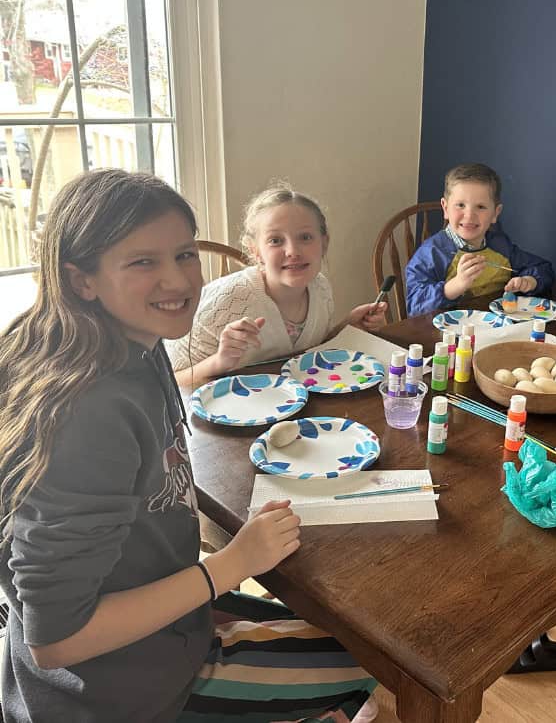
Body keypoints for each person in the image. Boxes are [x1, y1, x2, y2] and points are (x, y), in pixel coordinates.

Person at [0, 169, 378, 722]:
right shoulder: (85, 414)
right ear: (82, 280)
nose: (178, 281)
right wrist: (232, 563)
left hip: (168, 618)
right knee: (373, 661)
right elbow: (58, 639)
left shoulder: (135, 341)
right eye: (143, 262)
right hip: (117, 691)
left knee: (352, 631)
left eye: (184, 255)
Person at [166, 183, 387, 380]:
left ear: (324, 243)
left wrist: (348, 326)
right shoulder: (225, 304)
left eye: (305, 237)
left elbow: (312, 350)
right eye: (275, 240)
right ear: (256, 251)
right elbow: (172, 381)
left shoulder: (320, 288)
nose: (292, 251)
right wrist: (220, 361)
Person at [405, 163, 554, 315]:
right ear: (445, 208)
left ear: (495, 213)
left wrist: (529, 281)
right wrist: (455, 285)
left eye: (481, 207)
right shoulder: (431, 253)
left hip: (496, 324)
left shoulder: (500, 245)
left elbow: (543, 268)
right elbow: (415, 307)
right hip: (448, 328)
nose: (469, 215)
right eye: (460, 205)